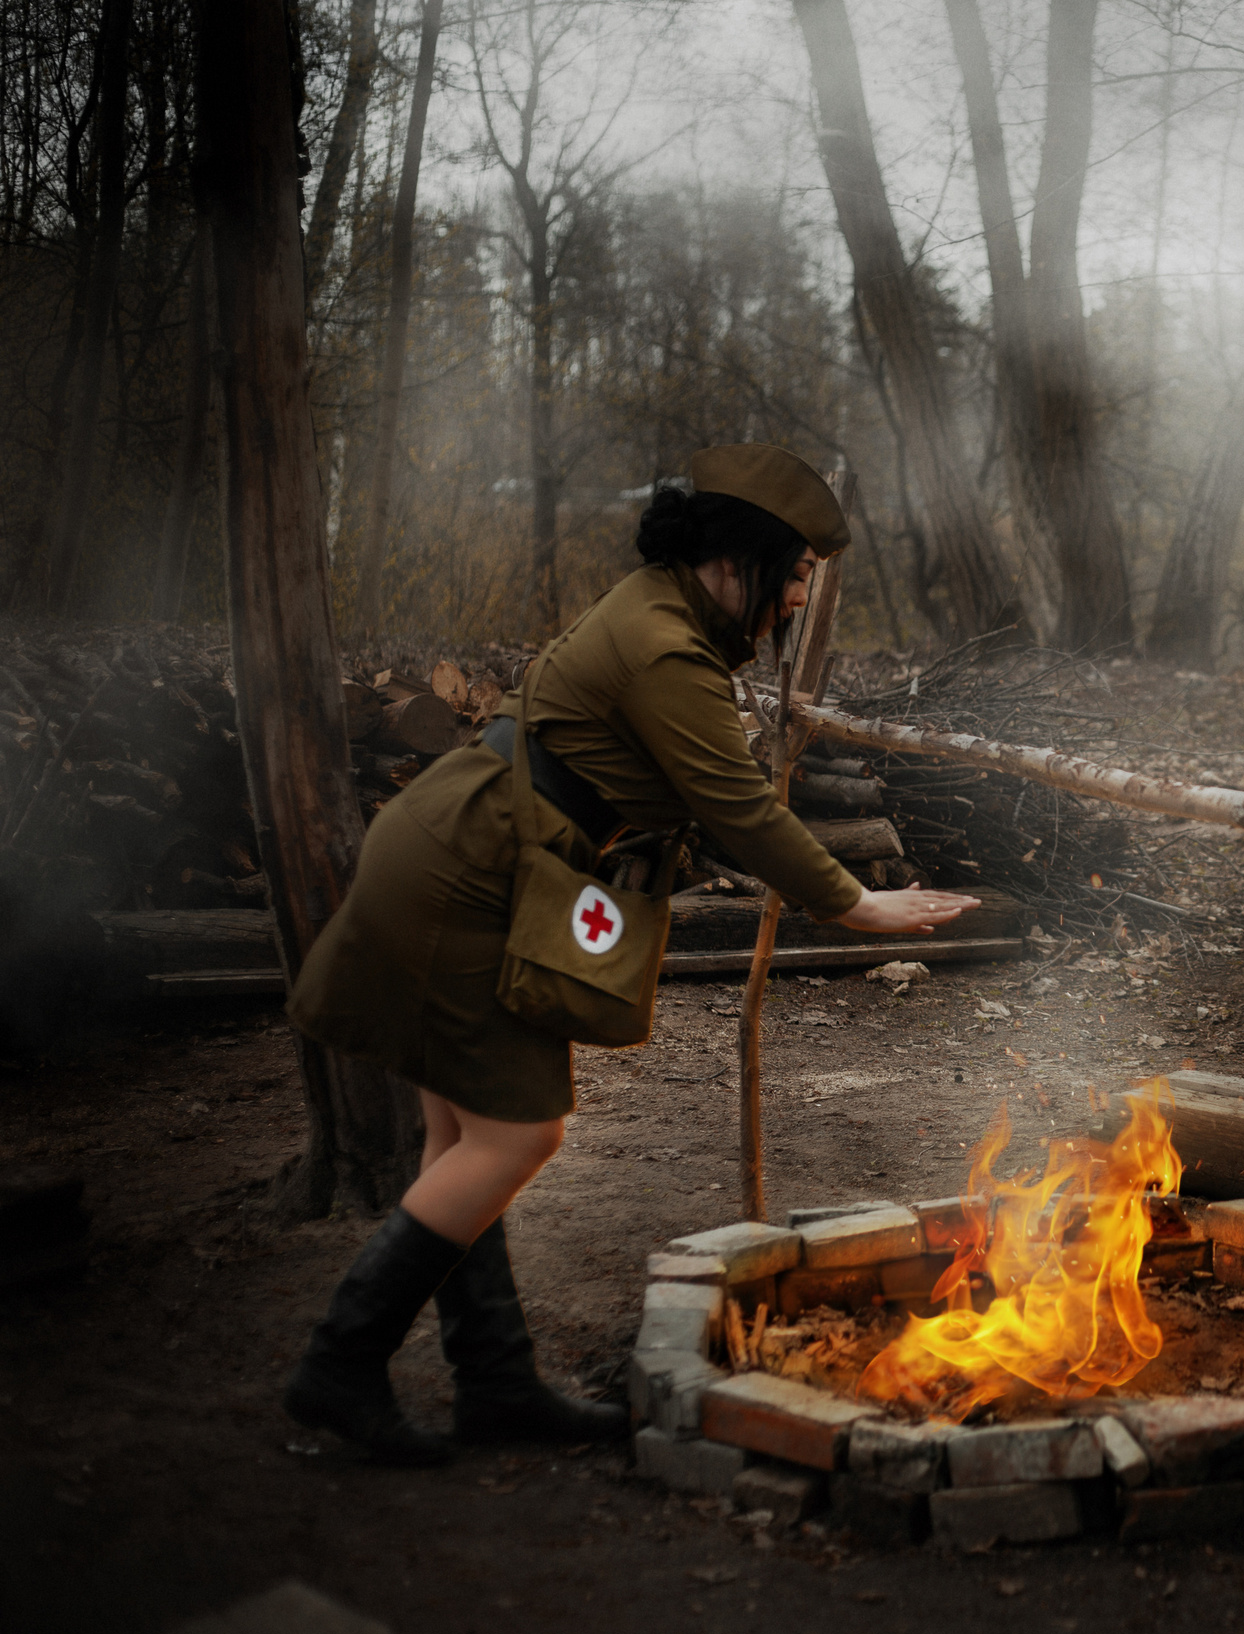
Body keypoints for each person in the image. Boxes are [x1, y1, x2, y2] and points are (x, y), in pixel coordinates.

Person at [282, 443, 978, 1465]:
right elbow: (737, 807)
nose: (795, 596)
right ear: (738, 560)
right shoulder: (665, 644)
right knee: (517, 1138)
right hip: (466, 874)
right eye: (790, 573)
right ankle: (339, 1366)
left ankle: (497, 1383)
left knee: (460, 1140)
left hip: (470, 852)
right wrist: (854, 903)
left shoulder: (664, 612)